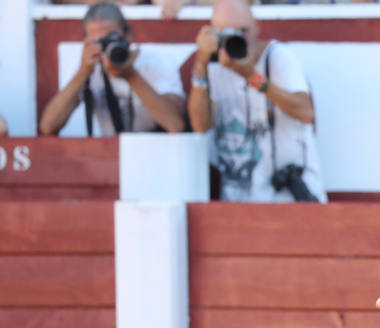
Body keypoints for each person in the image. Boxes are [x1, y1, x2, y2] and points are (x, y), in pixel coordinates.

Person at [188, 0, 326, 202]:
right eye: (227, 33)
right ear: (214, 35)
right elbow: (200, 126)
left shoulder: (277, 57)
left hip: (290, 199)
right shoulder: (213, 67)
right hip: (237, 202)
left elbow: (305, 111)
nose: (237, 38)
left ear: (257, 26)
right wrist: (200, 65)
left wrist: (252, 77)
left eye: (243, 30)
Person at [38, 3, 186, 137]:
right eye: (99, 42)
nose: (107, 48)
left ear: (128, 35)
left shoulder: (155, 63)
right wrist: (83, 73)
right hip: (109, 156)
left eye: (112, 39)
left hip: (157, 153)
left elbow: (175, 124)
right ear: (86, 41)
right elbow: (48, 127)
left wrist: (131, 76)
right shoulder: (86, 68)